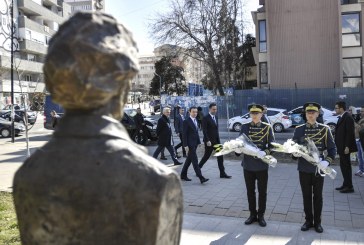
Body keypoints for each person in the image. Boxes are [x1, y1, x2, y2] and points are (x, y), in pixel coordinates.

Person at [292, 102, 336, 233]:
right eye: (308, 113)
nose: (310, 115)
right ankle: (308, 221)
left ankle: (318, 223)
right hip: (304, 169)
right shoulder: (299, 129)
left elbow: (332, 149)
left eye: (313, 112)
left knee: (318, 196)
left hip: (319, 169)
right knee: (306, 196)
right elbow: (294, 149)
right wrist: (294, 153)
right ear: (305, 114)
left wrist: (327, 162)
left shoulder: (324, 129)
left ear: (317, 114)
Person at [237, 104, 274, 227]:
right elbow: (239, 142)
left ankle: (261, 215)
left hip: (262, 165)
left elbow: (272, 145)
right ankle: (252, 214)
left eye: (257, 113)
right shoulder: (245, 127)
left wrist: (265, 152)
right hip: (248, 165)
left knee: (262, 192)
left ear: (261, 115)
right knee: (250, 191)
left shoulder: (267, 127)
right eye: (252, 113)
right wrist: (237, 149)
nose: (254, 115)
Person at [198, 103, 231, 178]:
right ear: (210, 109)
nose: (215, 110)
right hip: (209, 142)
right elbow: (204, 131)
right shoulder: (205, 118)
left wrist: (218, 140)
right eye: (213, 109)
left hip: (216, 141)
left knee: (220, 156)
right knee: (206, 156)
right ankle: (198, 169)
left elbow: (216, 130)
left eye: (216, 109)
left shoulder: (216, 117)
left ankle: (222, 173)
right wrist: (207, 140)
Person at [180, 106, 209, 184]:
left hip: (195, 144)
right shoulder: (186, 121)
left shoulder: (195, 120)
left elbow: (196, 133)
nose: (195, 113)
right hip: (190, 145)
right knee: (195, 161)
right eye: (193, 112)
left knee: (188, 160)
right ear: (189, 112)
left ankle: (183, 175)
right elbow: (184, 135)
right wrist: (185, 145)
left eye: (196, 112)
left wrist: (199, 142)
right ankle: (201, 177)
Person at [334, 101, 357, 193]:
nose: (335, 110)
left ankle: (349, 186)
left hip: (345, 147)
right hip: (341, 146)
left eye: (336, 108)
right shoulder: (342, 117)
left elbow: (350, 134)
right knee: (343, 166)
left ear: (341, 108)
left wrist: (347, 146)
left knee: (346, 166)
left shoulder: (348, 118)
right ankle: (345, 184)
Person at [354, 106, 364, 177]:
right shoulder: (360, 118)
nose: (361, 112)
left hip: (362, 140)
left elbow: (359, 128)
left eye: (362, 111)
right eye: (360, 111)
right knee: (359, 157)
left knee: (362, 157)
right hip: (358, 139)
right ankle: (361, 170)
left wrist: (354, 122)